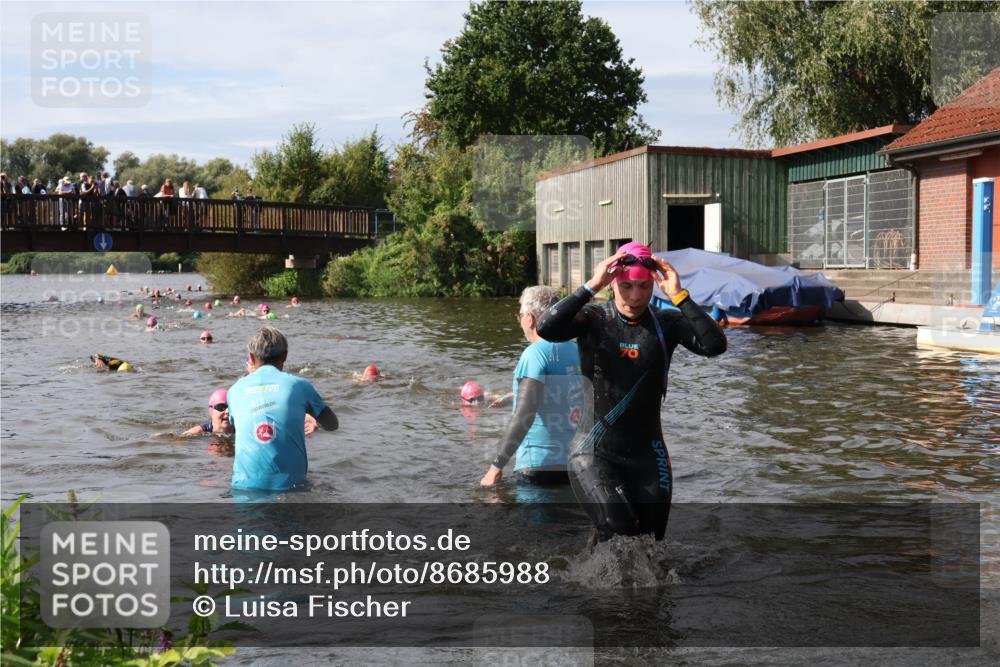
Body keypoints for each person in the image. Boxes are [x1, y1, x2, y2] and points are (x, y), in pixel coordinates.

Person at [536, 241, 726, 542]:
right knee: (619, 525)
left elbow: (715, 345)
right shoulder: (593, 319)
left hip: (648, 456)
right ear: (613, 284)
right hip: (593, 452)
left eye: (642, 286)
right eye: (626, 286)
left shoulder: (667, 324)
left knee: (650, 544)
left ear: (653, 284)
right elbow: (546, 327)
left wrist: (679, 295)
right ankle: (592, 581)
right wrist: (590, 285)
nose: (635, 296)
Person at [481, 286, 583, 487]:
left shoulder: (535, 353)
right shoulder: (578, 350)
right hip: (576, 466)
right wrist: (513, 395)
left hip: (538, 465)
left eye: (519, 315)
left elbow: (524, 414)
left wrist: (496, 466)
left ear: (530, 318)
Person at [227, 327, 338, 491]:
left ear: (250, 357)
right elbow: (332, 424)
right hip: (291, 489)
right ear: (285, 355)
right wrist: (311, 415)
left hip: (243, 488)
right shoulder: (299, 385)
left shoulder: (234, 390)